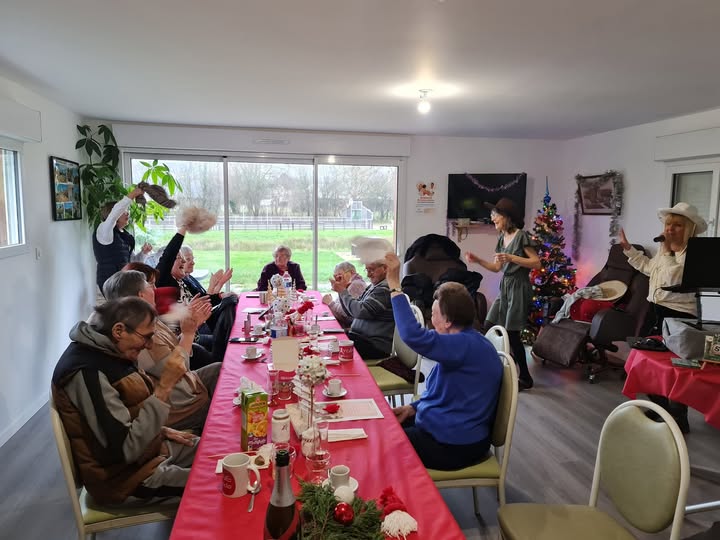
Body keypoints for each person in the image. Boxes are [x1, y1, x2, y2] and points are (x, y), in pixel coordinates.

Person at [51, 297, 198, 505]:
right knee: (217, 480)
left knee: (215, 452)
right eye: (146, 337)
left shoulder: (110, 351)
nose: (149, 345)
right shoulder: (87, 372)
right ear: (118, 330)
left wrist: (161, 430)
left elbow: (123, 417)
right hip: (124, 480)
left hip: (148, 453)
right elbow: (126, 450)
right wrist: (165, 386)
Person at [384, 252, 503, 470]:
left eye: (434, 314)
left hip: (455, 444)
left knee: (382, 443)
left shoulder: (463, 345)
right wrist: (413, 408)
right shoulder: (464, 342)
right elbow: (446, 395)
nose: (431, 320)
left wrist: (394, 285)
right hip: (451, 431)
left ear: (447, 321)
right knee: (383, 426)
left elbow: (412, 335)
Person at [619, 201, 707, 434]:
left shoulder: (694, 253)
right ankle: (665, 410)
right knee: (642, 362)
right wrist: (629, 249)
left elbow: (673, 278)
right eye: (668, 224)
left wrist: (667, 251)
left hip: (680, 315)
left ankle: (677, 417)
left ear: (689, 229)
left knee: (675, 369)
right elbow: (651, 269)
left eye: (677, 225)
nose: (670, 229)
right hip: (656, 311)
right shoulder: (665, 250)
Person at [103, 269, 220, 433]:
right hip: (177, 406)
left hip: (185, 385)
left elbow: (173, 349)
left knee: (221, 370)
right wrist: (188, 333)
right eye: (150, 285)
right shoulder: (136, 335)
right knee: (221, 408)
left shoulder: (147, 319)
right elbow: (176, 370)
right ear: (141, 295)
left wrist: (192, 325)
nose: (155, 289)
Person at [465, 197, 541, 391]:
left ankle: (525, 377)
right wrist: (477, 260)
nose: (492, 219)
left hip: (519, 287)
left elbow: (536, 263)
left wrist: (512, 257)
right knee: (489, 326)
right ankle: (499, 369)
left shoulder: (521, 236)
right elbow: (497, 267)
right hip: (505, 286)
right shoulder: (501, 238)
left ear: (507, 217)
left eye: (495, 216)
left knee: (512, 333)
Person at [93, 186, 152, 294]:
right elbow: (114, 213)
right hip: (109, 284)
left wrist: (144, 253)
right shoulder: (104, 231)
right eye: (124, 211)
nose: (127, 213)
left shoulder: (124, 236)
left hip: (123, 282)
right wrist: (133, 194)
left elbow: (132, 262)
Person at [331, 259, 394, 359]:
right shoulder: (374, 286)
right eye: (367, 270)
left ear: (385, 268)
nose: (368, 275)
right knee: (329, 339)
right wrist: (342, 291)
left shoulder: (385, 288)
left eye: (371, 270)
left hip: (374, 345)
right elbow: (351, 313)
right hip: (361, 339)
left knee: (330, 347)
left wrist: (343, 291)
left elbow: (360, 312)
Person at [322, 262, 367, 327]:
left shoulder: (355, 285)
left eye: (340, 275)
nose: (337, 279)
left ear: (352, 272)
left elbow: (346, 314)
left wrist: (330, 303)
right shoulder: (351, 283)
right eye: (336, 276)